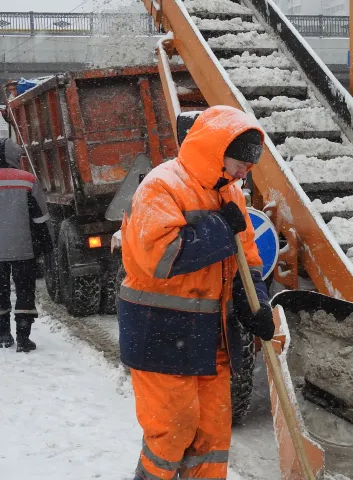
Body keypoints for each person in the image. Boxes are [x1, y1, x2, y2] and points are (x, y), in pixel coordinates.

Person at [118, 105, 275, 480]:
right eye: (239, 162)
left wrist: (256, 303)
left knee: (212, 439)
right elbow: (160, 258)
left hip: (211, 341)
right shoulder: (162, 186)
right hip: (161, 336)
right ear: (214, 149)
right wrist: (220, 229)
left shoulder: (231, 194)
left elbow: (247, 260)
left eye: (249, 166)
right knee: (171, 435)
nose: (243, 172)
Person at [0, 137, 52, 352]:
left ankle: (4, 335)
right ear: (14, 156)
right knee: (25, 292)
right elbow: (41, 219)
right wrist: (45, 246)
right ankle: (24, 337)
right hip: (24, 248)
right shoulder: (27, 180)